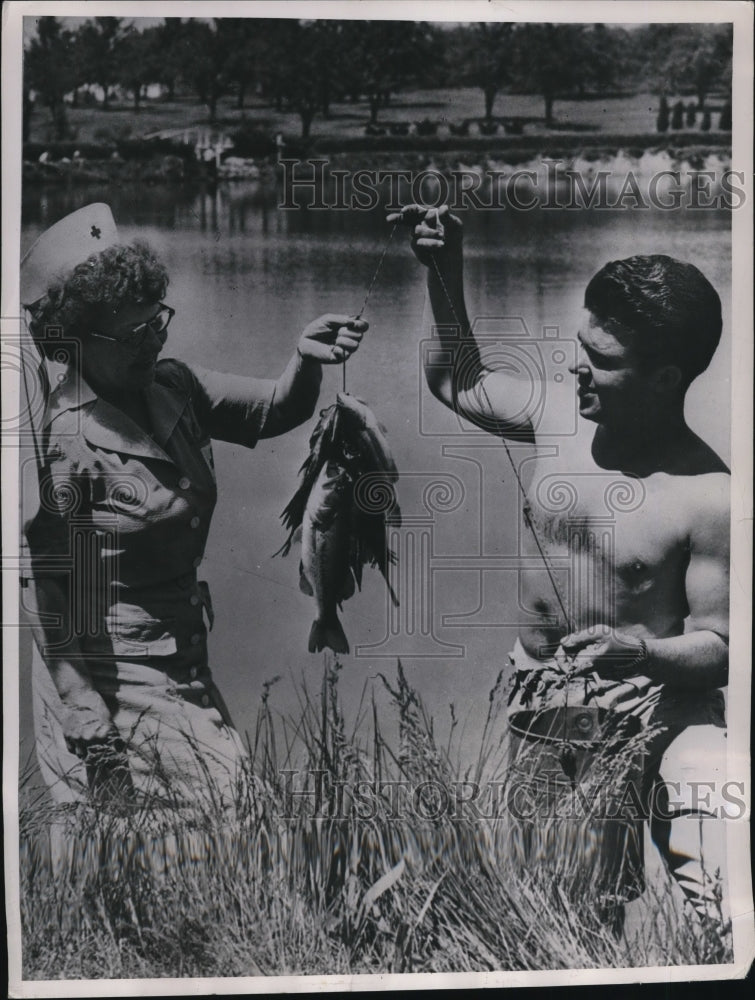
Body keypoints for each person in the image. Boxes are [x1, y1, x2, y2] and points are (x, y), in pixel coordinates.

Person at [391, 203, 730, 929]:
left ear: (665, 377)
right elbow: (457, 382)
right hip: (550, 703)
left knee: (720, 895)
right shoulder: (555, 418)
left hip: (661, 706)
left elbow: (722, 648)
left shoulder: (711, 496)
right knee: (566, 904)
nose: (576, 366)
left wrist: (638, 652)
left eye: (602, 360)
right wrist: (444, 270)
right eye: (580, 346)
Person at [20, 203, 366, 811]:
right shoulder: (63, 439)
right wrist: (78, 700)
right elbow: (43, 579)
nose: (154, 341)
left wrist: (305, 358)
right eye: (132, 334)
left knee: (193, 834)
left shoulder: (174, 384)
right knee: (227, 813)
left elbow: (275, 409)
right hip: (107, 674)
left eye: (157, 321)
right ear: (77, 340)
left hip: (180, 655)